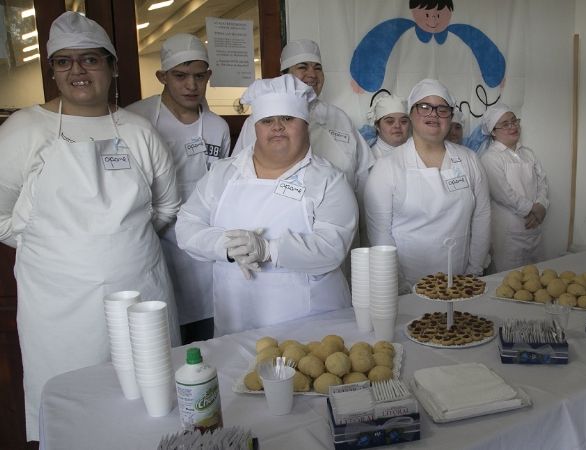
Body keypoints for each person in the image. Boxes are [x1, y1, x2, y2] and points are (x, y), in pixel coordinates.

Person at [0, 12, 180, 441]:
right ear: (53, 71)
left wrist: (121, 244)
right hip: (58, 306)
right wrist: (56, 249)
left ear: (113, 66)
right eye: (64, 62)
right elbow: (2, 216)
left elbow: (167, 206)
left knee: (149, 401)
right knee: (72, 405)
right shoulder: (25, 129)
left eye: (90, 60)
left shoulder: (138, 132)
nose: (77, 71)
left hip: (142, 291)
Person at [176, 75, 357, 336]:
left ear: (305, 125)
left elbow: (332, 247)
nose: (277, 127)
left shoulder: (329, 180)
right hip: (237, 320)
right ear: (255, 127)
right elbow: (186, 226)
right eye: (267, 120)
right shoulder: (223, 174)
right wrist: (226, 246)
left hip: (312, 324)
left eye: (288, 118)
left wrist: (269, 249)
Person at [127, 34, 230, 344]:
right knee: (163, 334)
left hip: (203, 248)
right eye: (180, 76)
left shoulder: (217, 126)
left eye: (199, 76)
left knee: (208, 336)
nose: (191, 85)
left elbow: (224, 188)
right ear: (162, 77)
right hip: (156, 243)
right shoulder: (136, 120)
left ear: (208, 77)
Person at [364, 79, 491, 292]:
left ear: (450, 117)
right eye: (424, 107)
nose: (433, 114)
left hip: (460, 281)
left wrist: (473, 271)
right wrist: (401, 284)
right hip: (407, 285)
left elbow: (482, 216)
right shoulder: (387, 167)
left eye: (442, 109)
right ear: (411, 115)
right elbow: (380, 233)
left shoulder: (469, 160)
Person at [233, 39, 373, 202]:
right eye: (302, 67)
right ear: (284, 76)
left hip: (339, 211)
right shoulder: (260, 122)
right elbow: (239, 175)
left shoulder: (339, 117)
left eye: (318, 68)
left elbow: (363, 175)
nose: (312, 74)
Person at [477, 104, 549, 272]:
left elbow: (542, 182)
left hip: (534, 228)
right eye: (505, 124)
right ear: (493, 132)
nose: (513, 126)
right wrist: (533, 209)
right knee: (508, 281)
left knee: (536, 279)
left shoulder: (528, 153)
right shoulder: (490, 158)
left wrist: (542, 205)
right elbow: (504, 194)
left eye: (514, 121)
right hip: (508, 233)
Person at [365, 93, 410, 159]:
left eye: (403, 121)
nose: (397, 126)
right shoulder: (370, 159)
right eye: (390, 121)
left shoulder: (419, 152)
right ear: (377, 126)